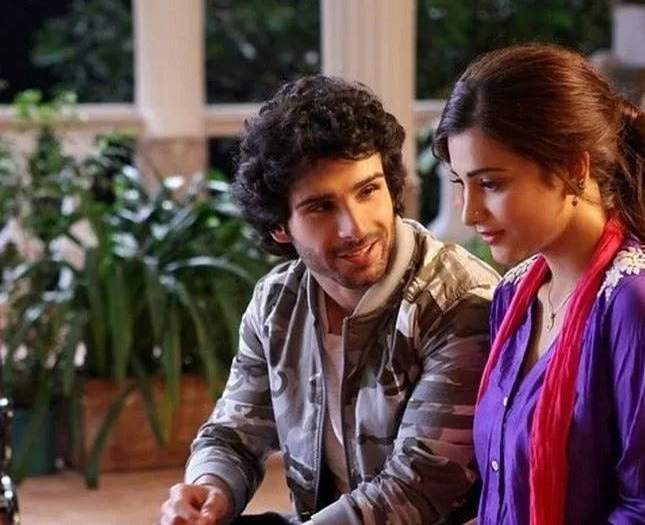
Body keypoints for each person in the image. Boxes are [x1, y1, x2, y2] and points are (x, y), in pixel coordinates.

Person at [159, 75, 500, 524]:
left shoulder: (460, 301)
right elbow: (234, 432)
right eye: (321, 207)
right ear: (280, 226)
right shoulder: (276, 303)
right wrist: (207, 490)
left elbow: (419, 486)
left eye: (368, 190)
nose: (354, 227)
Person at [432, 43, 645, 525]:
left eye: (491, 183)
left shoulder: (630, 303)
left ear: (573, 168)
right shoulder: (514, 295)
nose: (470, 214)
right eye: (462, 184)